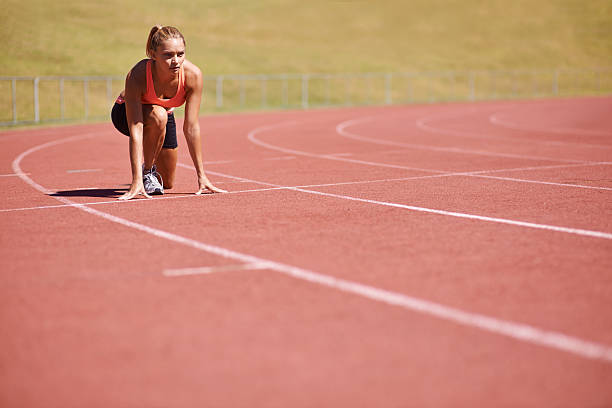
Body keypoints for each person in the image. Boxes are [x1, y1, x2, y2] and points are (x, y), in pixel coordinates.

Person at [111, 25, 226, 200]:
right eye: (168, 55)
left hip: (163, 115)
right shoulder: (137, 74)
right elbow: (136, 128)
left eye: (180, 54)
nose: (176, 61)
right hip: (126, 114)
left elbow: (191, 127)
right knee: (158, 116)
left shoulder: (193, 75)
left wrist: (202, 176)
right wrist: (136, 180)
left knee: (168, 182)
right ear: (153, 54)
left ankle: (148, 171)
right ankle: (146, 172)